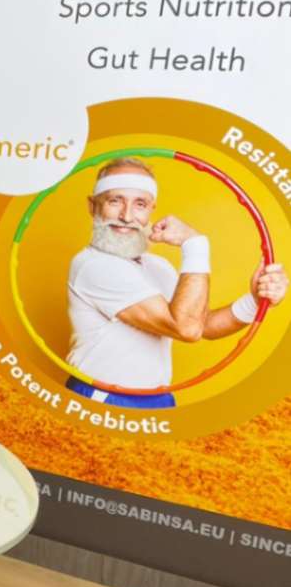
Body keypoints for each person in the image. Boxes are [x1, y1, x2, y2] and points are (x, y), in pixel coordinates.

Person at [66, 157, 287, 407]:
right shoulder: (94, 265)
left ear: (151, 210)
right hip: (105, 398)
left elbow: (203, 325)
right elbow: (187, 328)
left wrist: (255, 300)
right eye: (115, 201)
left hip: (157, 396)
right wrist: (195, 244)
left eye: (140, 204)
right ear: (93, 206)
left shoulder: (157, 265)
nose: (126, 216)